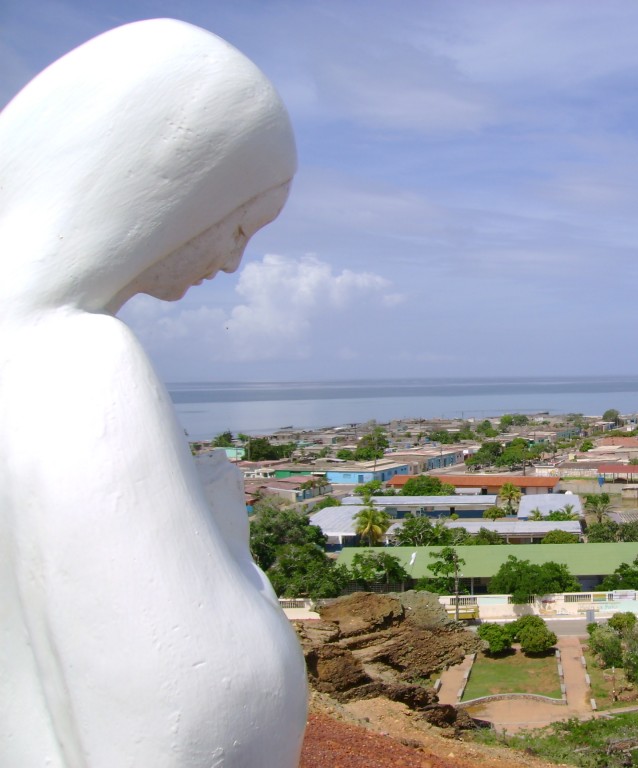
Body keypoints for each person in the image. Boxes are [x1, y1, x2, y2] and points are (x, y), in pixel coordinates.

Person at [0, 20, 306, 767]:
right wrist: (227, 546)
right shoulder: (78, 362)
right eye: (238, 223)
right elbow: (200, 712)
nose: (233, 262)